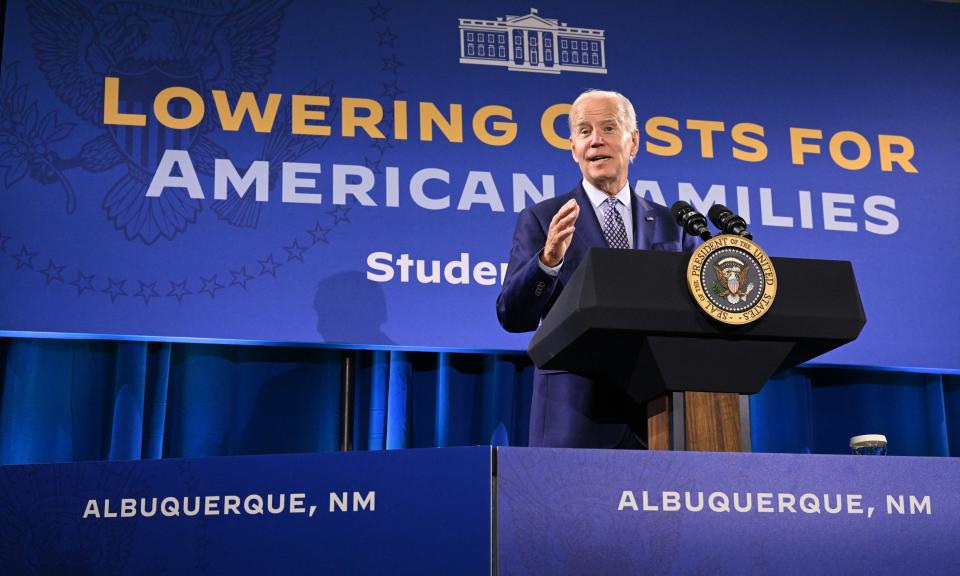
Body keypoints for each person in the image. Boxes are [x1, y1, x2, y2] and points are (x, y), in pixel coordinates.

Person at [496, 89, 699, 448]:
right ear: (573, 147)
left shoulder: (673, 225)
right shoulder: (543, 219)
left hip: (657, 415)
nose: (596, 141)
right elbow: (513, 316)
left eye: (608, 128)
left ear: (633, 142)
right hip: (573, 412)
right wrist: (548, 261)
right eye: (584, 131)